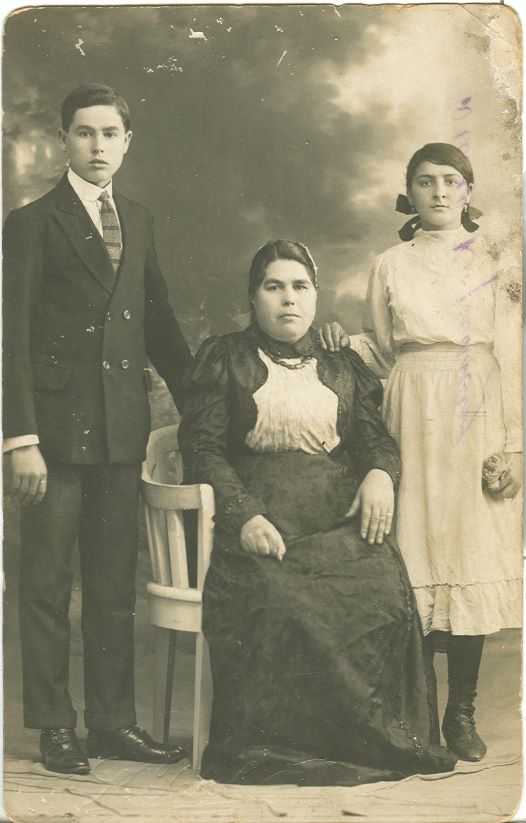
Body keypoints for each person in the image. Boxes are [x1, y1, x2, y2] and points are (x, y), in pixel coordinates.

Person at [178, 239, 456, 785]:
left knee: (378, 590)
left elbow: (376, 442)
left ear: (314, 295)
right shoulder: (226, 357)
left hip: (336, 518)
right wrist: (243, 515)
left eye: (299, 286)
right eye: (273, 286)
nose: (288, 299)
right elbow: (203, 448)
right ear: (253, 297)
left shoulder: (340, 363)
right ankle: (286, 747)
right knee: (282, 597)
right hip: (261, 520)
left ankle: (358, 741)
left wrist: (381, 475)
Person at [3, 84, 193, 774]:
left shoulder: (137, 220)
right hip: (52, 439)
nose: (97, 146)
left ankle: (113, 723)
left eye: (110, 133)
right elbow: (10, 338)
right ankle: (55, 724)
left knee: (114, 588)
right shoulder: (31, 223)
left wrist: (209, 401)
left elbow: (159, 323)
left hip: (120, 433)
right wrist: (20, 439)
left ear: (127, 141)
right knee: (48, 583)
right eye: (84, 133)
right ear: (64, 141)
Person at [320, 143, 522, 762]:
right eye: (426, 181)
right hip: (410, 409)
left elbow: (515, 356)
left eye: (451, 181)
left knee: (468, 551)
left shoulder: (497, 260)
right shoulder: (390, 264)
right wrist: (342, 341)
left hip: (477, 406)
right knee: (415, 550)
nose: (439, 191)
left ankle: (461, 711)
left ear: (468, 191)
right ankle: (419, 710)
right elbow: (383, 352)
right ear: (409, 192)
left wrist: (516, 448)